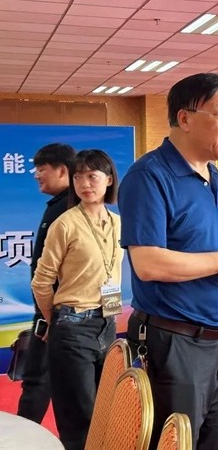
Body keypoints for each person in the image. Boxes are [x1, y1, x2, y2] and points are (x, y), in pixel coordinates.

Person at [118, 72, 218, 450]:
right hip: (172, 343)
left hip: (216, 341)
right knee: (174, 443)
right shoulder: (149, 176)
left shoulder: (212, 175)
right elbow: (149, 263)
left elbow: (210, 245)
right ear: (185, 118)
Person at [32, 149, 123, 450]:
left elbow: (113, 274)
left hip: (107, 323)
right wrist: (54, 320)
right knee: (79, 418)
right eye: (78, 177)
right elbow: (41, 281)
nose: (84, 183)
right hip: (72, 326)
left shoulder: (117, 222)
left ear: (108, 180)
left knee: (106, 410)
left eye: (92, 176)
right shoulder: (65, 224)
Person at [17, 143, 76, 423]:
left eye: (41, 169)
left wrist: (49, 315)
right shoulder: (62, 205)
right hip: (55, 311)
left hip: (55, 312)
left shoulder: (66, 209)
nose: (36, 175)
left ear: (62, 170)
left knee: (38, 379)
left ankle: (24, 437)